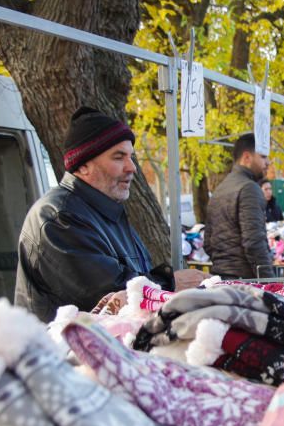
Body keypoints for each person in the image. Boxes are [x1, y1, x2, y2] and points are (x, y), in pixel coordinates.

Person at [15, 106, 174, 321]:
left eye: (131, 157)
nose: (132, 168)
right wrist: (171, 283)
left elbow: (132, 281)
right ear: (82, 166)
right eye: (119, 157)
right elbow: (106, 297)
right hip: (63, 351)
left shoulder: (108, 211)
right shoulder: (59, 216)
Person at [203, 133, 275, 280]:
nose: (267, 163)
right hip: (245, 281)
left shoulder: (220, 189)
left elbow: (208, 242)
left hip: (221, 277)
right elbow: (254, 243)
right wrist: (272, 283)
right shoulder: (249, 188)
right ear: (247, 157)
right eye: (263, 157)